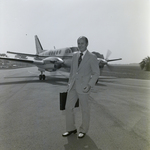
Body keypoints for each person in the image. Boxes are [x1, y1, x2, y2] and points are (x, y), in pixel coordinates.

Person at [62, 36, 100, 138]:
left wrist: (89, 85)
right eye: (78, 43)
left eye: (82, 43)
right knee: (68, 107)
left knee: (85, 110)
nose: (80, 45)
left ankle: (83, 130)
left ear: (87, 44)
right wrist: (69, 84)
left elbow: (96, 73)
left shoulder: (92, 57)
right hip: (73, 86)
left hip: (84, 88)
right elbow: (72, 72)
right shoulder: (74, 55)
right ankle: (71, 129)